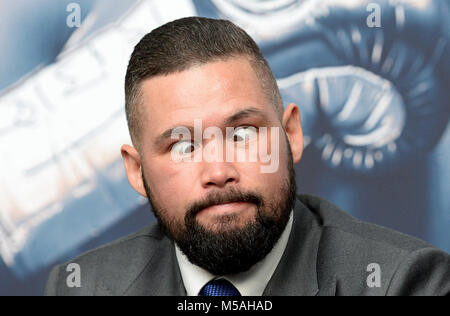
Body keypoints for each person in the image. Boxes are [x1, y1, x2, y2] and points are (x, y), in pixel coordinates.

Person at [45, 17, 450, 296]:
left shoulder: (404, 283)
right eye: (183, 147)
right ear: (136, 171)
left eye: (242, 134)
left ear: (291, 135)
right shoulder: (82, 286)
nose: (219, 173)